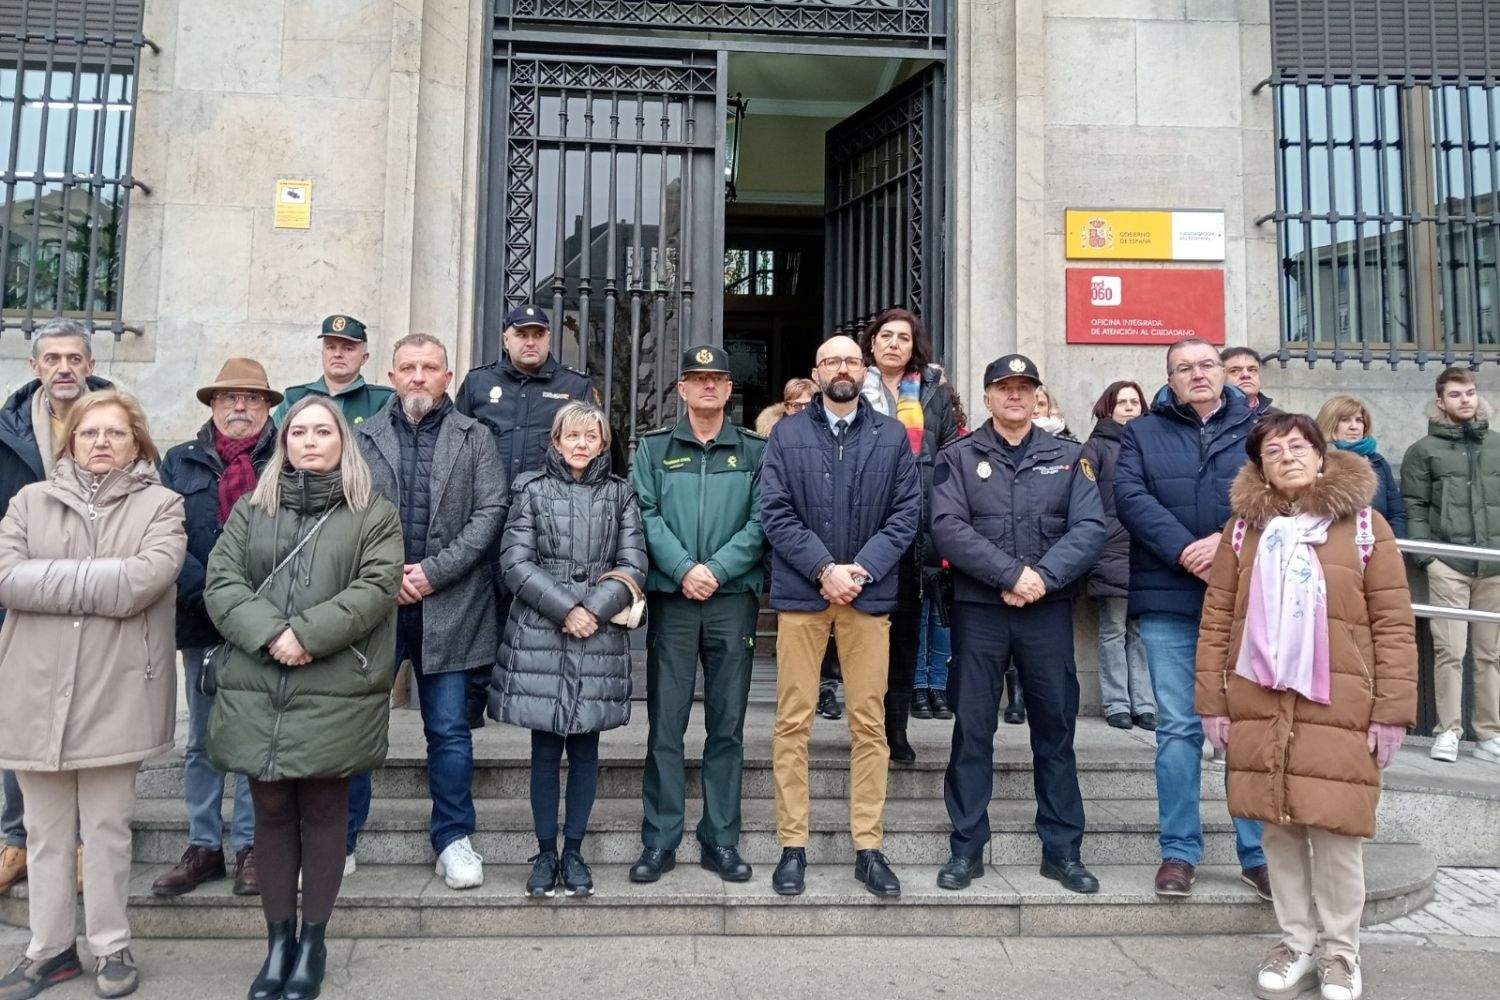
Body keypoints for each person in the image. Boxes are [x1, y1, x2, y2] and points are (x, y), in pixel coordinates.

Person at [1197, 413, 1416, 1000]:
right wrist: (1212, 702)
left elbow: (1394, 624)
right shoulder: (1242, 531)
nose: (1288, 456)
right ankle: (1295, 941)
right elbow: (1218, 619)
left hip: (1341, 700)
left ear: (1321, 456)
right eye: (1274, 450)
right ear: (1259, 466)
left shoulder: (1365, 527)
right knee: (1278, 829)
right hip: (1262, 698)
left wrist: (1392, 708)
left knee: (1337, 830)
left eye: (1299, 446)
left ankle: (1342, 953)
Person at [205, 397, 403, 1000]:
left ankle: (312, 943)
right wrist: (272, 634)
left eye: (323, 431)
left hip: (335, 683)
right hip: (258, 682)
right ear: (283, 441)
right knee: (267, 815)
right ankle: (277, 944)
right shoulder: (252, 509)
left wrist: (306, 636)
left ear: (343, 440)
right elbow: (222, 581)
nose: (310, 441)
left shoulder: (373, 512)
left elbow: (377, 586)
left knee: (322, 814)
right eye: (299, 432)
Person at [0, 389, 186, 1000]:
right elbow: (6, 578)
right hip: (35, 690)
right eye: (89, 433)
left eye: (115, 433)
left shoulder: (162, 505)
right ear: (69, 440)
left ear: (138, 441)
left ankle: (111, 944)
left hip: (117, 690)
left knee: (107, 829)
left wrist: (48, 579)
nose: (101, 443)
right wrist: (97, 579)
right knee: (45, 832)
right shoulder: (29, 501)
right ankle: (49, 950)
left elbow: (143, 580)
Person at [930, 354, 1106, 895]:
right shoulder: (958, 457)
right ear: (986, 398)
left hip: (1046, 612)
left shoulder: (1070, 458)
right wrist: (1009, 574)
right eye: (1003, 388)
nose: (1014, 396)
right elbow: (947, 526)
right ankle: (966, 848)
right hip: (980, 611)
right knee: (973, 731)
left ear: (1037, 396)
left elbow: (1091, 526)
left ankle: (1062, 851)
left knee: (1055, 732)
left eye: (1024, 388)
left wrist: (1041, 578)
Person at [759, 334, 921, 898]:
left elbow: (907, 514)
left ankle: (869, 847)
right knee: (792, 722)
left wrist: (860, 570)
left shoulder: (892, 435)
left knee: (869, 725)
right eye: (832, 360)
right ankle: (792, 845)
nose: (843, 368)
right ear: (817, 370)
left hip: (867, 597)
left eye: (852, 359)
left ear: (865, 370)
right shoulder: (786, 433)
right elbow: (773, 512)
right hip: (804, 596)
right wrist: (825, 568)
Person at [1114, 337, 1269, 901]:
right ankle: (1178, 852)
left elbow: (1281, 494)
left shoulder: (1261, 427)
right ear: (1170, 379)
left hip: (1247, 598)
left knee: (1246, 727)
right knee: (1178, 729)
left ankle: (1257, 854)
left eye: (1207, 365)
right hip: (1169, 596)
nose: (1198, 374)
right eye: (1185, 368)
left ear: (1225, 373)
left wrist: (1224, 544)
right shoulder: (1142, 432)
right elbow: (1130, 498)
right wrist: (1186, 549)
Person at [355, 334, 508, 890]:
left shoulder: (477, 438)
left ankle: (452, 839)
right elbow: (345, 509)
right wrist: (387, 574)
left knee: (447, 732)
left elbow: (492, 511)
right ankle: (344, 837)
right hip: (376, 606)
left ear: (449, 377)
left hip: (453, 604)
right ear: (391, 377)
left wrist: (433, 572)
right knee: (357, 727)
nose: (419, 377)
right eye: (408, 368)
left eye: (430, 368)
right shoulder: (362, 438)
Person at [491, 402, 646, 899]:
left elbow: (634, 562)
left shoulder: (621, 495)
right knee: (544, 749)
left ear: (603, 443)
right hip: (543, 632)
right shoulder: (531, 491)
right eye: (572, 436)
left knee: (585, 748)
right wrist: (566, 609)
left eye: (591, 437)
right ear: (556, 442)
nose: (582, 444)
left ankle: (574, 850)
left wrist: (595, 609)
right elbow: (515, 562)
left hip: (598, 637)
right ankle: (544, 851)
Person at [629, 345, 765, 884]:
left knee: (727, 725)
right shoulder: (655, 449)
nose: (708, 386)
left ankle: (720, 838)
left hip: (732, 602)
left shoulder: (755, 451)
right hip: (673, 600)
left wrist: (718, 570)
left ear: (730, 390)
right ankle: (659, 839)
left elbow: (763, 519)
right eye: (697, 378)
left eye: (718, 379)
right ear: (681, 389)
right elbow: (644, 512)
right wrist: (685, 568)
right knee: (666, 723)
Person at [151, 360, 282, 900]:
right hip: (201, 619)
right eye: (229, 398)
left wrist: (255, 610)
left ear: (269, 407)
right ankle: (204, 845)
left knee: (254, 737)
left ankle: (252, 847)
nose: (240, 409)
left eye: (252, 399)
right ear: (211, 405)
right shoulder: (180, 462)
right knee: (203, 740)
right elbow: (162, 534)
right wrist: (216, 597)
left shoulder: (286, 457)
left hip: (266, 622)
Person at [0, 318, 110, 898]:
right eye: (52, 359)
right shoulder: (7, 430)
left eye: (74, 358)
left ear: (89, 364)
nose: (64, 368)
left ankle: (92, 843)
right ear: (35, 367)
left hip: (99, 597)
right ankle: (16, 839)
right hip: (26, 597)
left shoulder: (117, 422)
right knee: (23, 722)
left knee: (98, 722)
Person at [857, 307, 960, 765]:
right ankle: (865, 728)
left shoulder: (936, 394)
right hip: (860, 531)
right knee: (861, 638)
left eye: (904, 337)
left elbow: (953, 461)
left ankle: (894, 730)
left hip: (916, 531)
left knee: (903, 639)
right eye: (886, 336)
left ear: (914, 345)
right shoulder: (851, 389)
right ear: (872, 344)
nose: (894, 343)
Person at [1401, 366, 1500, 764]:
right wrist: (1428, 558)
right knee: (1449, 651)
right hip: (1449, 564)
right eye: (1456, 394)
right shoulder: (1423, 450)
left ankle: (1489, 735)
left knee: (1489, 654)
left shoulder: (1496, 444)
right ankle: (1448, 730)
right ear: (1440, 400)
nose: (1465, 400)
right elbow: (1414, 507)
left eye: (1470, 392)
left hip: (1493, 565)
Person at [1081, 380, 1157, 731]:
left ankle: (1144, 704)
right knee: (1113, 628)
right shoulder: (1095, 447)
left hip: (1145, 552)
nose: (1129, 408)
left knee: (1139, 633)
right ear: (1108, 407)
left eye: (1134, 402)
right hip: (1110, 550)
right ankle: (1116, 704)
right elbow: (1084, 500)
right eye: (1122, 402)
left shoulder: (1153, 444)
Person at [456, 304, 597, 483]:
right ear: (506, 340)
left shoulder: (576, 386)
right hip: (486, 503)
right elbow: (455, 444)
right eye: (521, 335)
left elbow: (593, 454)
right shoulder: (477, 382)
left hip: (548, 505)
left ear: (548, 338)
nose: (530, 342)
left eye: (538, 335)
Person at [913, 388, 969, 722]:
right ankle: (919, 683)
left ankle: (939, 684)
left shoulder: (962, 445)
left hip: (946, 538)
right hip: (915, 535)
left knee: (942, 618)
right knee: (920, 616)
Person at [272, 315, 396, 427]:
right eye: (330, 347)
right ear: (322, 354)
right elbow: (275, 447)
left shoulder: (383, 401)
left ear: (364, 358)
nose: (337, 354)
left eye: (348, 348)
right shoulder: (294, 398)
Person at [1316, 395, 1407, 538]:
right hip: (1332, 548)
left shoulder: (1378, 462)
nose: (1354, 426)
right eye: (1345, 420)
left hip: (1378, 548)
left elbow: (1396, 514)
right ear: (1330, 424)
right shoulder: (1317, 462)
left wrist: (1394, 547)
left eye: (1359, 420)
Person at [1221, 347, 1281, 417]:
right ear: (1220, 378)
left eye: (1252, 370)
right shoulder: (1210, 416)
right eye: (1235, 371)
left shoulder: (1279, 420)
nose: (1246, 375)